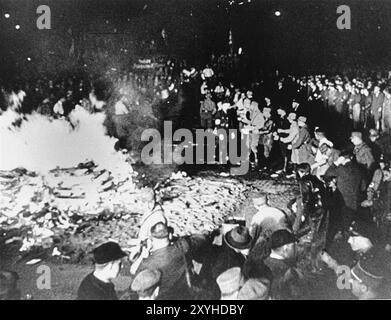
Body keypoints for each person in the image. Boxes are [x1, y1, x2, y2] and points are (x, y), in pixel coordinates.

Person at [324, 151, 367, 224]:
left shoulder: (340, 169)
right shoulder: (360, 169)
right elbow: (363, 187)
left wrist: (336, 163)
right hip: (356, 202)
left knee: (342, 225)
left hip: (342, 202)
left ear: (341, 158)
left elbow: (327, 174)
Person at [263, 229, 308, 300]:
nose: (296, 248)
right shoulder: (290, 272)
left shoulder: (262, 264)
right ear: (285, 248)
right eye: (293, 246)